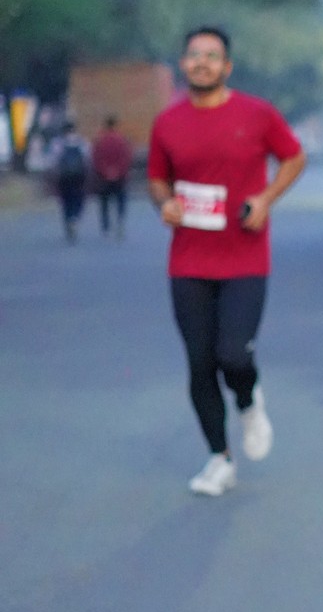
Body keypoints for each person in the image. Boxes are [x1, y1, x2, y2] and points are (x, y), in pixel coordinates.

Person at [147, 26, 306, 497]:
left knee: (233, 355)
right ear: (183, 64)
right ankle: (220, 458)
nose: (202, 62)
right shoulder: (168, 122)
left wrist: (266, 198)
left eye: (212, 56)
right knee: (200, 364)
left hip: (244, 257)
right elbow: (157, 179)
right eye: (194, 55)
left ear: (227, 67)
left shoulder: (257, 114)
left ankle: (248, 400)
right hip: (189, 260)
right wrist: (165, 204)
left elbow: (294, 157)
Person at [91, 115, 134, 238]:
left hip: (103, 177)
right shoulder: (122, 140)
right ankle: (120, 222)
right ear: (115, 125)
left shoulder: (100, 140)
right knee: (121, 200)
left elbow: (96, 158)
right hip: (120, 177)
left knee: (104, 202)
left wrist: (104, 171)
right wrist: (120, 171)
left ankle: (106, 227)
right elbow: (127, 157)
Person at [51, 122, 91, 241]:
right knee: (79, 198)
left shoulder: (58, 143)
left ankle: (68, 219)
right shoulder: (81, 142)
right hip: (79, 176)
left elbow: (53, 160)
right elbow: (87, 158)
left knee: (66, 200)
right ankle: (75, 218)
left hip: (64, 176)